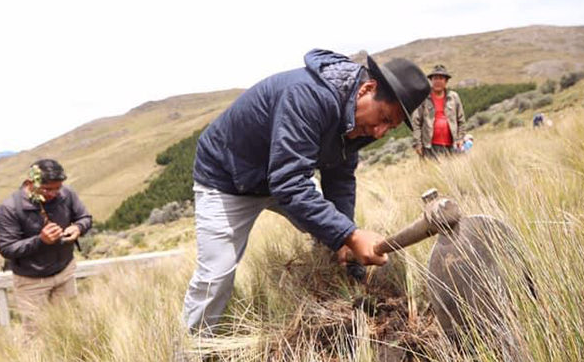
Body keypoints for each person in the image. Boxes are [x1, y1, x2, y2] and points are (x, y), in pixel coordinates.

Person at [184, 49, 430, 335]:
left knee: (332, 231)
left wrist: (344, 240)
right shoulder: (307, 96)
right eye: (384, 118)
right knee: (216, 274)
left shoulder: (359, 120)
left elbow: (339, 180)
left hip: (283, 173)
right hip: (227, 178)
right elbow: (288, 183)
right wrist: (350, 234)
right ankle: (193, 353)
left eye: (390, 126)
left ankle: (339, 294)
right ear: (367, 88)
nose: (379, 132)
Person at [0, 159, 92, 331]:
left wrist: (78, 227)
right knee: (36, 333)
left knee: (68, 325)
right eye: (47, 189)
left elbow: (85, 217)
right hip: (31, 281)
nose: (54, 193)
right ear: (31, 183)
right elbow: (7, 248)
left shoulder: (67, 194)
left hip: (65, 273)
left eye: (57, 188)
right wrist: (40, 241)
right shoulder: (9, 208)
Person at [411, 64, 466, 159]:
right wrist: (417, 143)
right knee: (430, 173)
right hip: (429, 147)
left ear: (446, 81)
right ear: (431, 80)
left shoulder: (454, 97)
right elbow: (416, 122)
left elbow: (461, 120)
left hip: (451, 146)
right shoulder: (423, 98)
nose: (438, 81)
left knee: (451, 173)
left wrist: (460, 138)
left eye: (441, 78)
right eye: (435, 78)